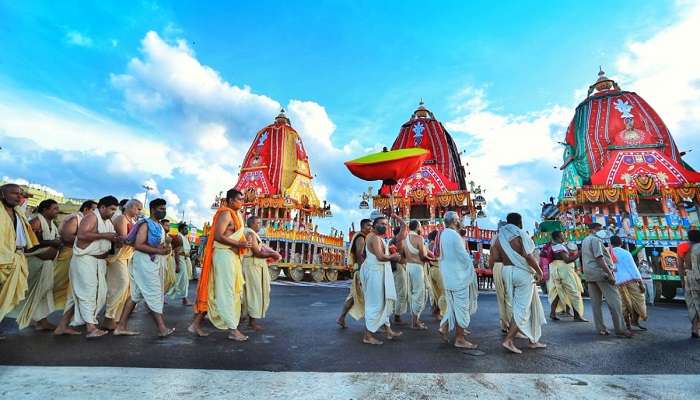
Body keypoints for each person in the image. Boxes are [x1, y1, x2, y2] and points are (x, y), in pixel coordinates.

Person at [188, 189, 251, 341]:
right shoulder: (226, 214)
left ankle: (195, 325)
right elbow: (218, 236)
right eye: (239, 200)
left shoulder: (237, 216)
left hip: (232, 256)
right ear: (230, 201)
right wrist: (239, 243)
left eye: (243, 200)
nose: (242, 202)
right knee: (226, 292)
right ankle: (233, 330)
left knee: (217, 291)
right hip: (223, 255)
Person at [114, 198, 175, 337]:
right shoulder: (145, 224)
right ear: (153, 210)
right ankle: (162, 328)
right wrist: (159, 251)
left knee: (135, 295)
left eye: (165, 209)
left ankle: (120, 326)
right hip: (144, 262)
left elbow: (156, 244)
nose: (163, 211)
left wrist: (165, 246)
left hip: (151, 262)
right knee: (153, 293)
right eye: (161, 209)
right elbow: (139, 245)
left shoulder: (158, 226)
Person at [490, 212, 547, 354]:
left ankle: (533, 340)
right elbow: (528, 255)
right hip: (522, 273)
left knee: (519, 305)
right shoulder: (519, 234)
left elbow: (495, 257)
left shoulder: (498, 237)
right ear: (520, 222)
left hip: (506, 271)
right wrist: (539, 271)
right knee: (523, 308)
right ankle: (509, 340)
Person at [68, 195, 120, 338]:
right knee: (87, 294)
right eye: (111, 209)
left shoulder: (107, 220)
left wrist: (115, 239)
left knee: (99, 294)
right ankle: (91, 328)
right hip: (85, 260)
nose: (113, 212)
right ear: (102, 207)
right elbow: (82, 235)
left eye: (115, 210)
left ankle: (62, 326)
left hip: (99, 262)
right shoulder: (92, 217)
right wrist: (105, 235)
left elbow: (106, 237)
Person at [15, 199, 62, 330]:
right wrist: (51, 243)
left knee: (43, 291)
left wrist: (55, 242)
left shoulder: (52, 223)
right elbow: (29, 243)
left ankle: (40, 320)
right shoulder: (36, 221)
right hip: (35, 263)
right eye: (54, 208)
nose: (57, 211)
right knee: (31, 292)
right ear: (45, 209)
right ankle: (35, 319)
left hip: (47, 264)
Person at [0, 184, 39, 339]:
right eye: (14, 193)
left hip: (16, 258)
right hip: (3, 259)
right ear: (2, 194)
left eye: (20, 194)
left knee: (5, 297)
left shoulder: (18, 213)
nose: (19, 196)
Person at [53, 200, 97, 336]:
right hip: (69, 256)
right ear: (86, 209)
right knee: (56, 287)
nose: (95, 213)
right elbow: (67, 237)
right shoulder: (75, 218)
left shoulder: (87, 220)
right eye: (93, 210)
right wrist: (90, 240)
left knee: (74, 292)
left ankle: (64, 324)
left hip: (79, 258)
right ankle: (39, 318)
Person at [360, 214, 406, 345]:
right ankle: (368, 336)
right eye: (381, 224)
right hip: (375, 273)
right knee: (375, 304)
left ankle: (388, 330)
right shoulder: (373, 237)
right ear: (374, 225)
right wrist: (393, 257)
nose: (384, 226)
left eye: (386, 224)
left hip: (378, 272)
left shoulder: (377, 237)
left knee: (382, 302)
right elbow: (380, 257)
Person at [581, 223, 632, 338]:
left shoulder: (585, 240)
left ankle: (601, 328)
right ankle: (620, 329)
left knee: (596, 303)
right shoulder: (596, 240)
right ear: (593, 230)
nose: (602, 231)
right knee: (615, 302)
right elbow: (599, 258)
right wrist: (610, 274)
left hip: (590, 274)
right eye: (599, 229)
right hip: (601, 273)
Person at [437, 211, 478, 349]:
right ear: (454, 221)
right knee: (461, 307)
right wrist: (472, 265)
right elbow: (463, 256)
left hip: (449, 276)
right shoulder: (454, 235)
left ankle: (444, 327)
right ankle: (460, 339)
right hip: (458, 277)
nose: (460, 220)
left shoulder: (444, 233)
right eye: (458, 219)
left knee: (453, 306)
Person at [103, 199, 142, 331]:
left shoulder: (133, 222)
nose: (139, 212)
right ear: (129, 207)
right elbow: (126, 239)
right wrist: (143, 243)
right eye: (138, 208)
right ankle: (108, 317)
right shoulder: (121, 218)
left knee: (127, 288)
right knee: (120, 284)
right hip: (118, 256)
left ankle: (116, 317)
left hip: (128, 257)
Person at [241, 216, 281, 331]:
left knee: (248, 292)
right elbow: (257, 253)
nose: (260, 225)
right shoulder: (250, 233)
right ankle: (252, 322)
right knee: (255, 292)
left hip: (252, 265)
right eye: (258, 223)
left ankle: (244, 316)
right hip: (252, 266)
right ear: (252, 224)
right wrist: (272, 255)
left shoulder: (249, 232)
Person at [337, 219, 371, 328]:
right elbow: (360, 255)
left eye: (371, 225)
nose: (370, 227)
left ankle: (341, 318)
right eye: (368, 226)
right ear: (362, 226)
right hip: (361, 270)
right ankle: (373, 325)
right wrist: (364, 271)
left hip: (360, 270)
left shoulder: (362, 237)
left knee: (353, 296)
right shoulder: (361, 238)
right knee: (368, 297)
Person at [547, 231, 587, 322]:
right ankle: (577, 315)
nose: (564, 237)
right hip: (564, 271)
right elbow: (567, 260)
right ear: (557, 237)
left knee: (557, 292)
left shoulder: (551, 246)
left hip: (555, 270)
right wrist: (579, 253)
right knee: (573, 291)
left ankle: (552, 313)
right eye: (562, 236)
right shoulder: (559, 247)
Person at [610, 236, 647, 331]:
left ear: (611, 243)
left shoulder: (609, 253)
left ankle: (628, 325)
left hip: (617, 283)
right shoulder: (626, 253)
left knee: (623, 305)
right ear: (621, 243)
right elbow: (633, 268)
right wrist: (641, 283)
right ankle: (635, 321)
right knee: (638, 302)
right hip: (631, 281)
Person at [403, 220, 435, 330]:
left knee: (412, 293)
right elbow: (422, 256)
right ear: (417, 227)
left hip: (408, 267)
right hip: (417, 268)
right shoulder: (419, 238)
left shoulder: (405, 239)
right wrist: (433, 259)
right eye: (420, 227)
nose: (421, 229)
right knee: (419, 294)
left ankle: (415, 320)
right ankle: (414, 322)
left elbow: (403, 255)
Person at [488, 221, 510, 332]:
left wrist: (492, 269)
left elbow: (491, 257)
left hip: (497, 266)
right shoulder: (511, 237)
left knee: (500, 297)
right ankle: (512, 323)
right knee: (510, 296)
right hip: (508, 267)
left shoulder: (494, 238)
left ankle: (504, 324)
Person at [678, 229, 700, 338]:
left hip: (689, 277)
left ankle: (694, 328)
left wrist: (682, 280)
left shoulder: (682, 247)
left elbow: (680, 266)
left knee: (691, 303)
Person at [167, 222, 192, 306]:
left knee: (182, 280)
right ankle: (184, 299)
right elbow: (176, 252)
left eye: (187, 229)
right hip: (180, 260)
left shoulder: (185, 238)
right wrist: (177, 265)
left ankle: (184, 298)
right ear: (181, 229)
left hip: (185, 260)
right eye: (185, 229)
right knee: (179, 280)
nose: (187, 230)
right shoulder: (179, 238)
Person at [390, 226, 409, 324]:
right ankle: (397, 315)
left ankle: (396, 313)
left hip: (396, 268)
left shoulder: (393, 241)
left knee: (397, 291)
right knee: (401, 292)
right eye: (405, 232)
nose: (406, 234)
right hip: (399, 267)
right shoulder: (398, 241)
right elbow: (400, 258)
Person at [427, 230, 446, 319]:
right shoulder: (435, 245)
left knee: (435, 293)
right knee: (443, 292)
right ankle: (443, 313)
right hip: (438, 269)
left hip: (431, 269)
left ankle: (437, 311)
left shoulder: (428, 245)